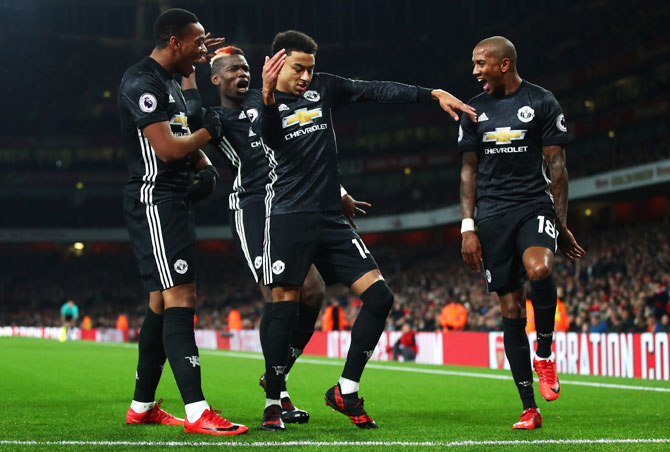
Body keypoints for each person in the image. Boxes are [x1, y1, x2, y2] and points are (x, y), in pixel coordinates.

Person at [254, 30, 475, 430]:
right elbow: (272, 140)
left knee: (379, 296)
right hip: (288, 215)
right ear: (277, 63)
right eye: (297, 69)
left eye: (310, 69)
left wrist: (431, 94)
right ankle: (273, 399)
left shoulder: (324, 88)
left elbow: (375, 90)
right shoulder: (261, 104)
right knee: (284, 305)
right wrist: (269, 96)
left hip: (330, 217)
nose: (305, 77)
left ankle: (346, 389)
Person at [181, 46, 370, 428]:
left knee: (314, 292)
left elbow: (306, 147)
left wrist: (338, 190)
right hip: (252, 207)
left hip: (290, 200)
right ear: (215, 78)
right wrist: (190, 66)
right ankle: (277, 399)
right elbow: (189, 114)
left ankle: (277, 376)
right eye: (233, 70)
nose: (242, 74)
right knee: (277, 294)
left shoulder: (265, 100)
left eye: (245, 68)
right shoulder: (216, 118)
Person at [117, 8, 247, 435]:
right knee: (180, 298)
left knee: (160, 302)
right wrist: (211, 131)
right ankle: (196, 411)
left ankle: (142, 405)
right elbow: (170, 150)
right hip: (155, 200)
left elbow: (187, 117)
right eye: (197, 42)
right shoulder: (143, 82)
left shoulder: (172, 79)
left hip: (173, 201)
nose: (205, 49)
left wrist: (206, 164)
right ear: (173, 41)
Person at [458, 36, 585, 430]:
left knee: (541, 270)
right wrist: (468, 227)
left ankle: (544, 351)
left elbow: (558, 168)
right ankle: (529, 407)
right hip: (491, 216)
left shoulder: (543, 102)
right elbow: (468, 170)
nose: (475, 70)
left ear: (504, 64)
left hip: (533, 205)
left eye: (481, 63)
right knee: (510, 309)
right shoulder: (473, 110)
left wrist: (561, 225)